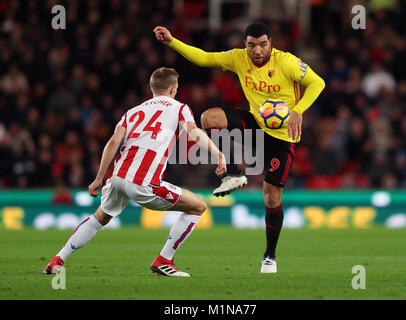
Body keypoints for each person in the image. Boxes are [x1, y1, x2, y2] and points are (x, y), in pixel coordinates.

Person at [154, 22, 325, 273]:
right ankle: (234, 173)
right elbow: (203, 58)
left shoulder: (287, 62)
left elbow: (317, 83)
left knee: (272, 197)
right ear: (245, 44)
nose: (257, 50)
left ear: (270, 43)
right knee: (208, 118)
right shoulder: (238, 58)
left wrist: (298, 111)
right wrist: (172, 41)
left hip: (282, 137)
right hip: (256, 124)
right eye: (252, 45)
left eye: (263, 44)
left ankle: (269, 256)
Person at [43, 67, 227, 277]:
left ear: (152, 89)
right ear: (173, 89)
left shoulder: (133, 112)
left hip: (117, 178)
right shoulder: (179, 107)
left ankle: (57, 260)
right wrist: (218, 153)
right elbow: (194, 133)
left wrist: (99, 178)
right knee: (198, 206)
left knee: (100, 217)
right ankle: (164, 261)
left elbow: (113, 142)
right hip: (144, 182)